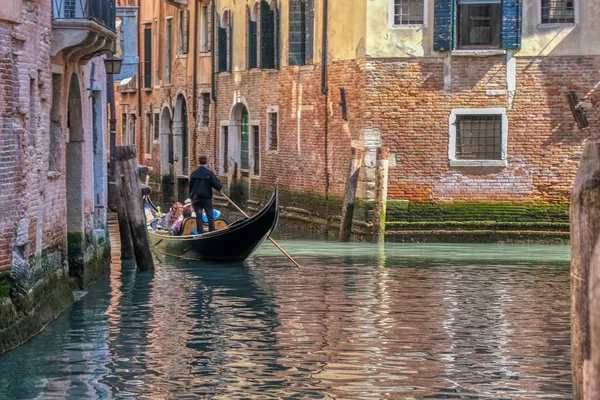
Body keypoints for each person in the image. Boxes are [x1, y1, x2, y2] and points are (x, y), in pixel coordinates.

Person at [189, 155, 222, 233]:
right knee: (210, 216)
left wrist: (191, 198)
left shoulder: (194, 173)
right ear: (206, 162)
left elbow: (191, 187)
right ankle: (212, 232)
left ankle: (200, 233)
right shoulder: (209, 173)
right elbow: (217, 184)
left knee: (199, 216)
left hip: (196, 198)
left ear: (199, 162)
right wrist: (219, 188)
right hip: (206, 198)